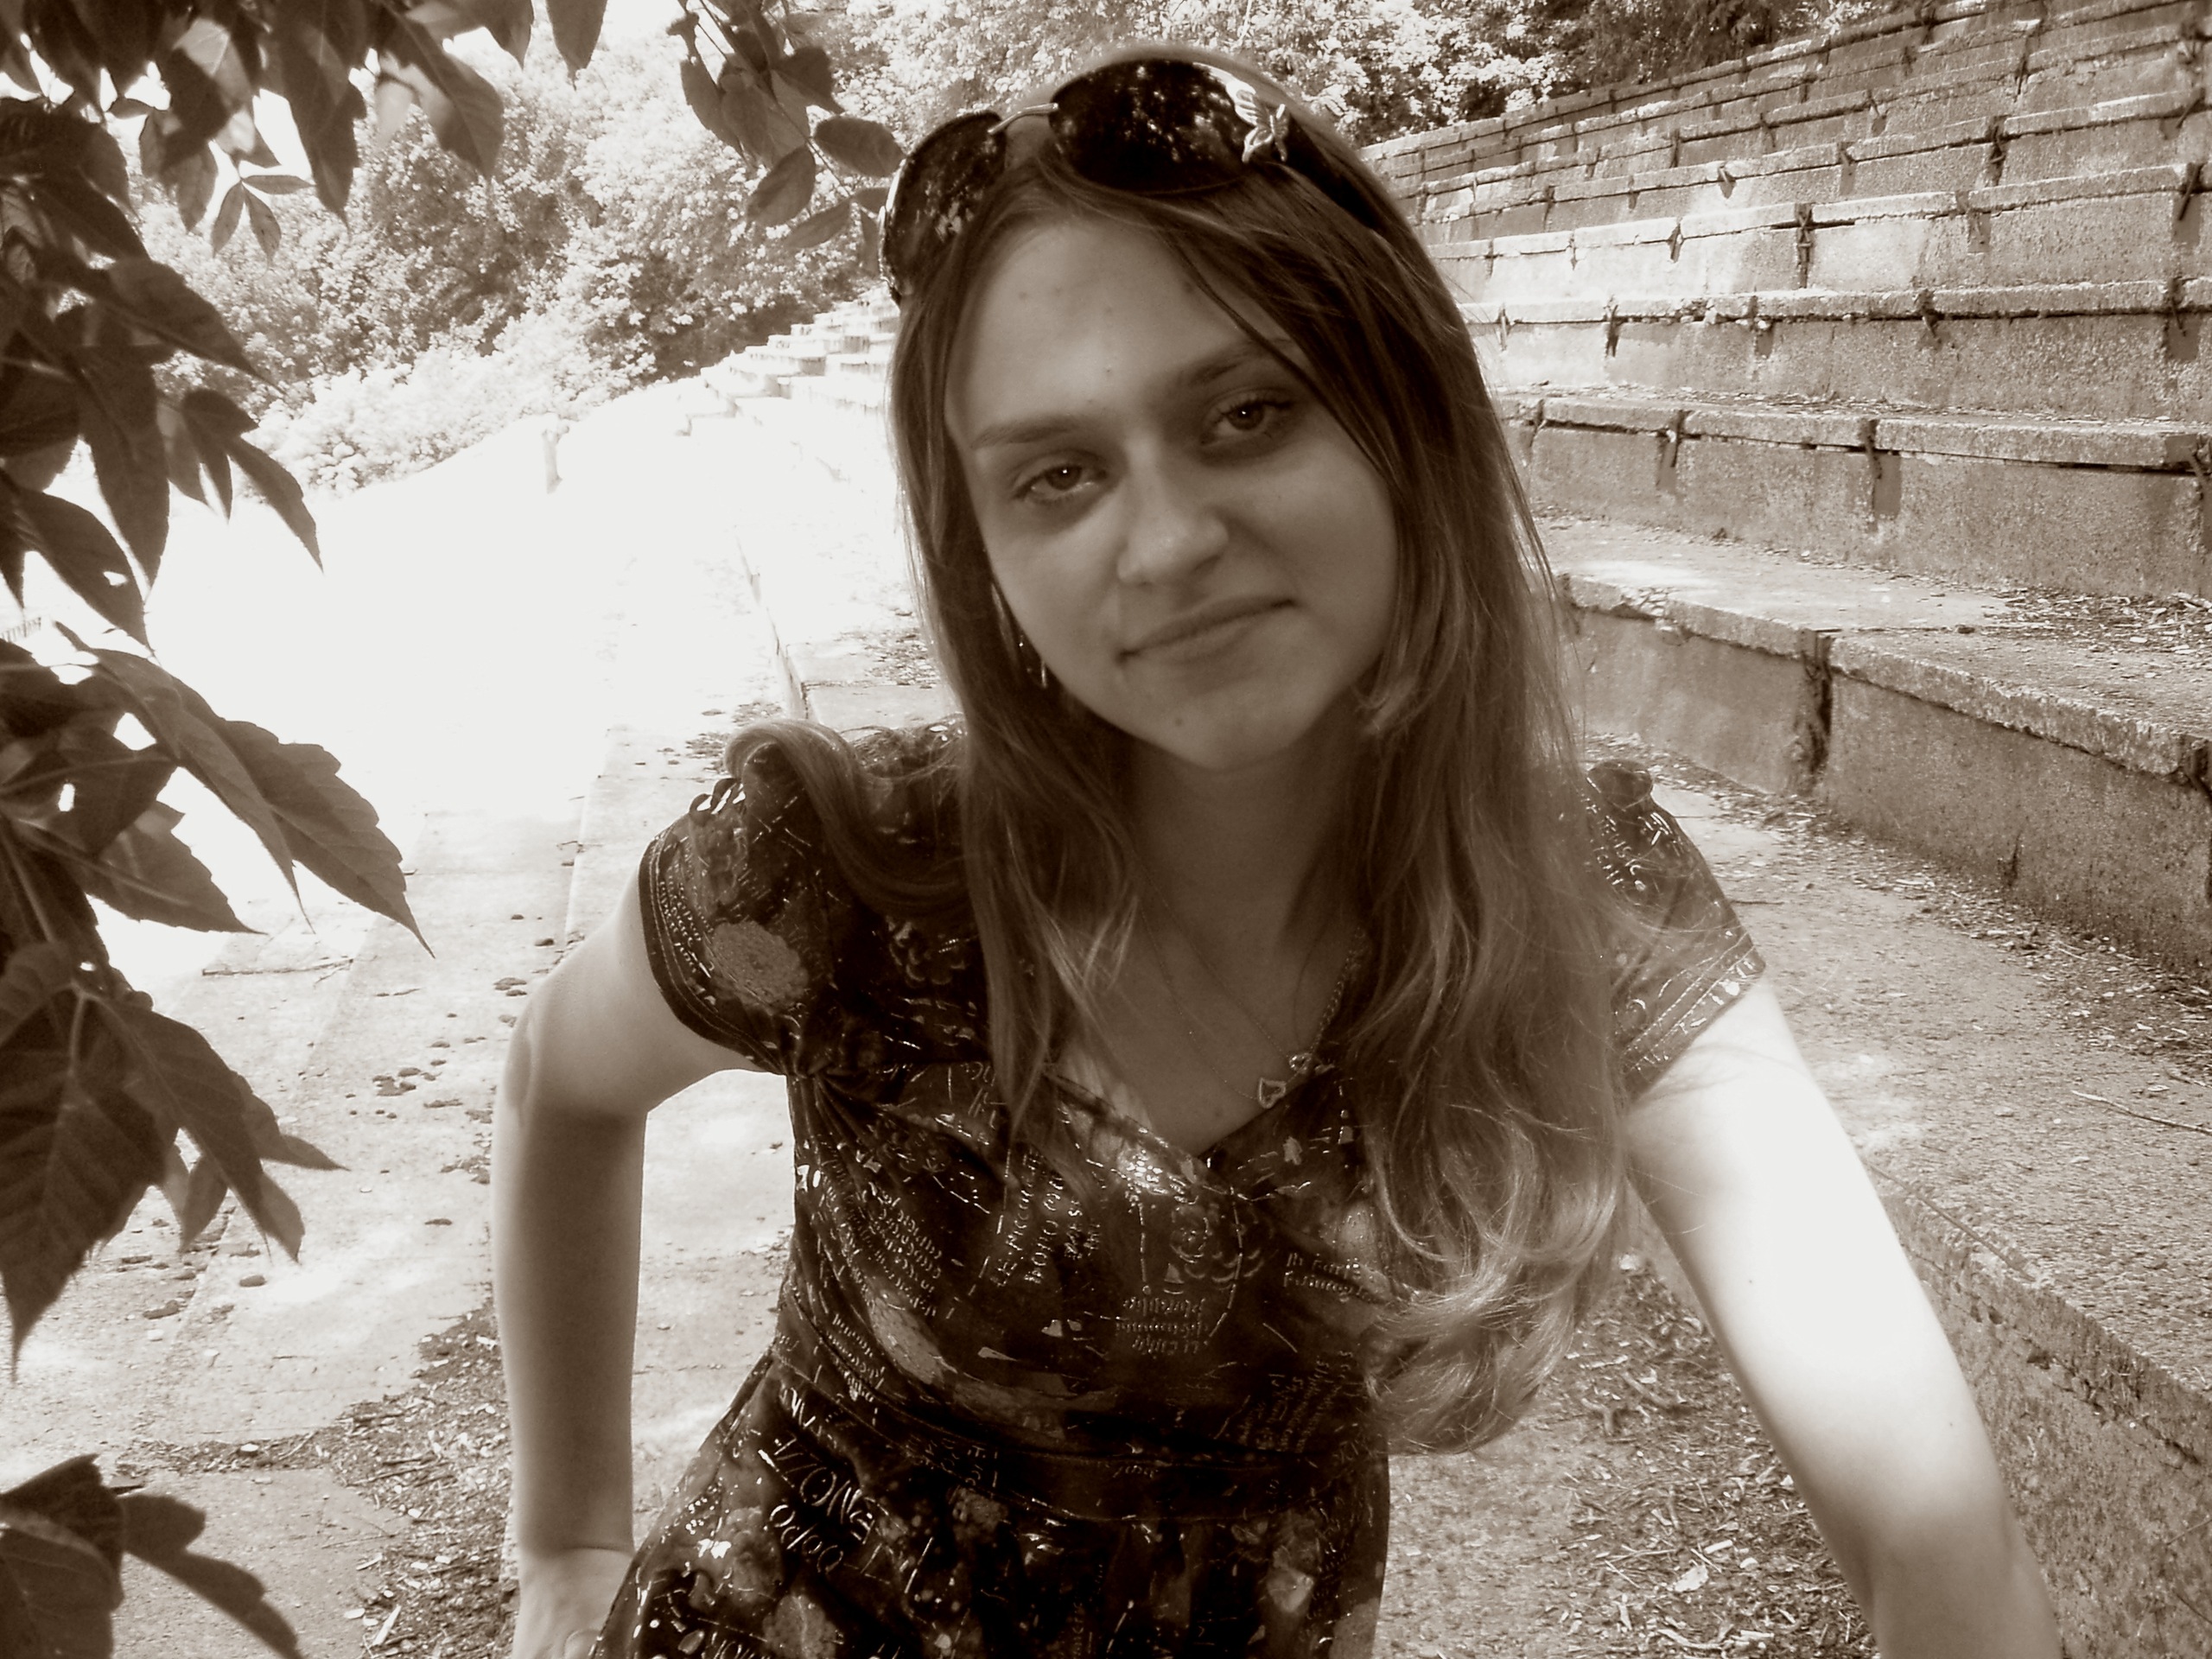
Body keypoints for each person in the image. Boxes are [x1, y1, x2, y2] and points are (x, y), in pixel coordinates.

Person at [496, 48, 2062, 1659]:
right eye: (1057, 475)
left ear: (1403, 419)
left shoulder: (1588, 914)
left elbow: (1939, 1546)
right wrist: (565, 1539)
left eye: (1246, 414)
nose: (1168, 542)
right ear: (988, 557)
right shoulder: (842, 868)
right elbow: (559, 1079)